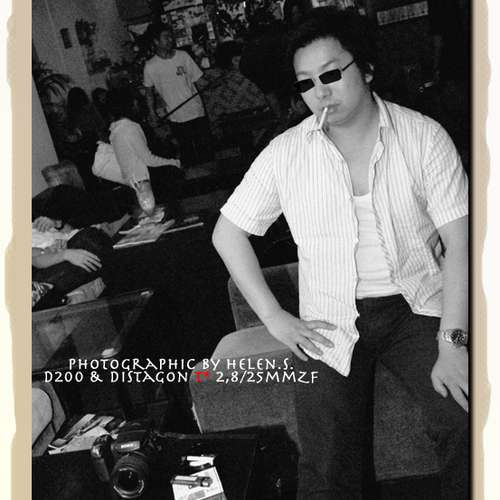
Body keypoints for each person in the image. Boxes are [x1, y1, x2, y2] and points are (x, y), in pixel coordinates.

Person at [212, 8, 468, 500]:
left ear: (366, 69)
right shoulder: (287, 152)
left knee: (462, 417)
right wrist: (275, 319)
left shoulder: (423, 136)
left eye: (331, 74)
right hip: (328, 316)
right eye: (306, 83)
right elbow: (228, 233)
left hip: (415, 307)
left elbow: (459, 242)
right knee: (326, 461)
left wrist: (453, 343)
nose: (320, 92)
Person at [107, 87, 183, 218]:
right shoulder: (130, 128)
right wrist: (174, 162)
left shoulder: (114, 130)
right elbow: (148, 159)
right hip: (144, 183)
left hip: (131, 182)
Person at [143, 23, 212, 166]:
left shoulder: (183, 56)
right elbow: (149, 93)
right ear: (156, 41)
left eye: (171, 36)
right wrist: (152, 113)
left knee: (206, 151)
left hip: (196, 111)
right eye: (166, 37)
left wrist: (211, 84)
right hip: (176, 117)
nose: (170, 40)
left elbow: (199, 79)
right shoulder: (150, 66)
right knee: (188, 154)